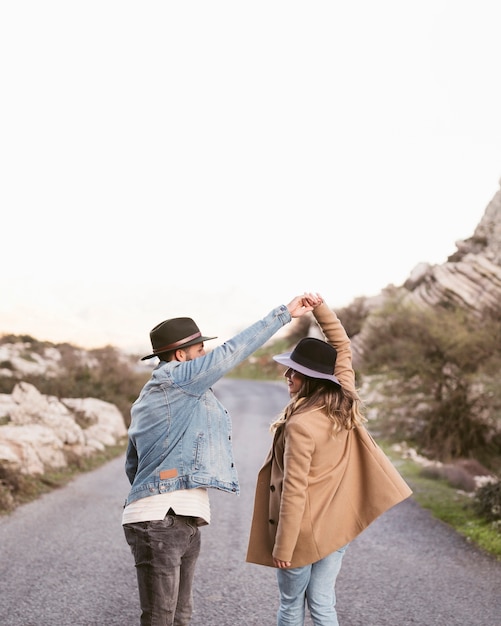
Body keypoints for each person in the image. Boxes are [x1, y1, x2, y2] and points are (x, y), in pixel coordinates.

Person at [122, 295, 316, 626]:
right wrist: (283, 314)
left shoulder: (161, 393)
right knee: (160, 618)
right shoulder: (176, 379)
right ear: (181, 355)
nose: (205, 357)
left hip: (181, 519)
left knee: (180, 617)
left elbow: (133, 463)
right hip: (162, 520)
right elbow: (232, 352)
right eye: (199, 352)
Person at [246, 293, 412, 626]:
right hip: (336, 530)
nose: (286, 376)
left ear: (309, 377)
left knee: (292, 605)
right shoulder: (343, 402)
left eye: (292, 371)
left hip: (302, 534)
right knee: (322, 604)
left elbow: (294, 489)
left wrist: (283, 546)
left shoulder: (301, 425)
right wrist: (320, 309)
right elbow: (343, 346)